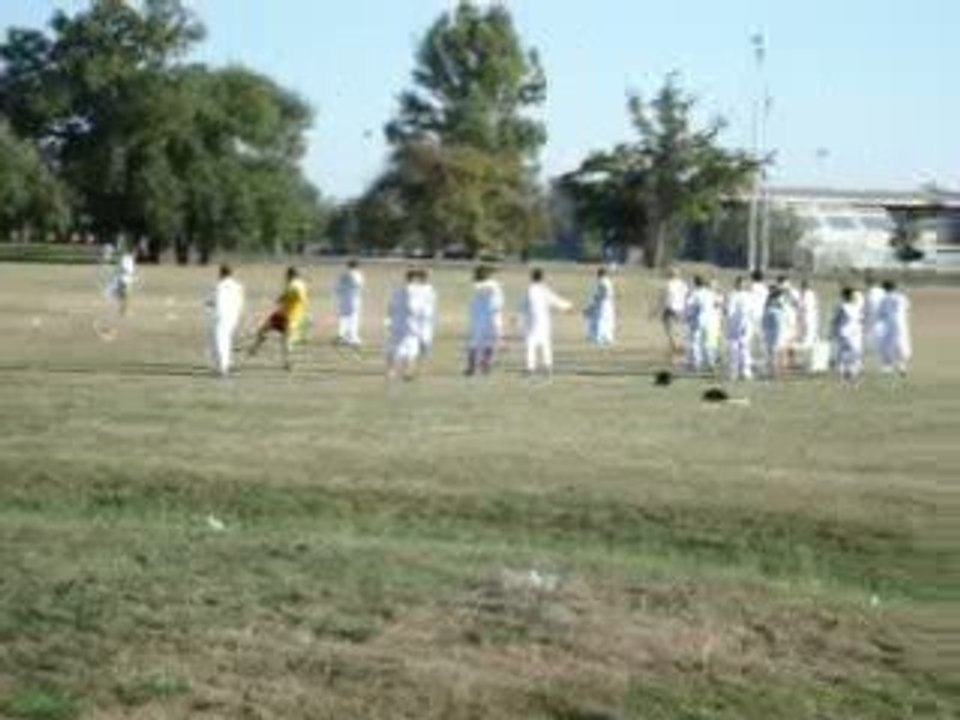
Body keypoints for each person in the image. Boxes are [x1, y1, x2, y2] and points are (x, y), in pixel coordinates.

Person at [248, 267, 309, 371]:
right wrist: (282, 299)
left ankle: (287, 362)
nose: (285, 278)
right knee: (273, 334)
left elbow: (298, 297)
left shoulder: (295, 285)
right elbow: (294, 297)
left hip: (289, 316)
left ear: (290, 275)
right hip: (283, 314)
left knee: (281, 338)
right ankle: (256, 348)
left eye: (286, 275)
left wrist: (282, 299)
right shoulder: (298, 284)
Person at [520, 268, 573, 376]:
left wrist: (518, 317)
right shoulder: (544, 290)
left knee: (531, 344)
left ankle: (531, 368)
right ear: (542, 277)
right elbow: (555, 300)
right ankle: (548, 367)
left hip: (532, 321)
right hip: (544, 321)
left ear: (531, 277)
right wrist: (568, 307)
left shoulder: (530, 290)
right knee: (545, 344)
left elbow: (523, 306)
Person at [386, 269, 432, 381]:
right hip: (410, 324)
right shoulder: (416, 292)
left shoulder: (397, 291)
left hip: (397, 323)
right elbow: (417, 309)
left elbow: (390, 307)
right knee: (411, 349)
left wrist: (390, 320)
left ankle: (390, 371)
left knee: (394, 347)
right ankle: (407, 372)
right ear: (415, 279)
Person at [465, 266, 505, 376]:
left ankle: (485, 366)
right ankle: (472, 367)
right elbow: (478, 287)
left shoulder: (491, 284)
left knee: (490, 343)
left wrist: (481, 279)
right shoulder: (482, 287)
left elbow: (482, 286)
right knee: (475, 343)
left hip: (492, 318)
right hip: (482, 320)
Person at [206, 265, 245, 377]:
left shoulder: (219, 285)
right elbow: (240, 303)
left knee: (220, 342)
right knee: (227, 341)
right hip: (233, 317)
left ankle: (222, 369)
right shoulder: (238, 286)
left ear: (221, 273)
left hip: (220, 317)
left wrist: (208, 304)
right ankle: (227, 364)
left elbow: (213, 301)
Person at [877, 280, 912, 376]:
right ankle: (902, 367)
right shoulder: (902, 297)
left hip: (889, 325)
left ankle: (887, 368)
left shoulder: (884, 299)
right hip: (901, 324)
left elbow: (880, 314)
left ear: (885, 289)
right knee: (901, 344)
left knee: (887, 345)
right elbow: (907, 308)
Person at [684, 275, 719, 373]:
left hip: (699, 320)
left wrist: (688, 317)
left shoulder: (695, 293)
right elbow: (717, 304)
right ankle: (711, 363)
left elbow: (690, 307)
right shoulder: (710, 293)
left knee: (696, 342)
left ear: (695, 283)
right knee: (708, 343)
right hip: (710, 320)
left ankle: (697, 364)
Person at [832, 287, 865, 382]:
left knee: (851, 352)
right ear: (846, 296)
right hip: (844, 333)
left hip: (854, 332)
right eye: (851, 295)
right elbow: (835, 320)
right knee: (851, 351)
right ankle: (847, 373)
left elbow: (860, 318)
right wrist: (833, 332)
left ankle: (847, 372)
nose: (853, 297)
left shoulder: (856, 306)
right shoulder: (841, 306)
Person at [725, 277, 755, 381]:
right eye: (740, 284)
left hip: (745, 323)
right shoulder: (733, 295)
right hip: (734, 324)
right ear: (736, 284)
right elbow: (730, 311)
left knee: (745, 347)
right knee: (734, 348)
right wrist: (731, 322)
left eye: (743, 284)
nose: (742, 285)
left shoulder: (748, 295)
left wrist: (748, 322)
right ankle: (734, 372)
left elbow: (751, 311)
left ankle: (746, 371)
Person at [334, 260, 365, 347]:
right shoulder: (357, 275)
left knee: (343, 318)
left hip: (343, 299)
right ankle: (352, 338)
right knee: (353, 318)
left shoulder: (343, 275)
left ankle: (342, 336)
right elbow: (359, 286)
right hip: (353, 299)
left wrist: (340, 295)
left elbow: (337, 288)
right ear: (357, 266)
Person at [762, 286, 790, 379]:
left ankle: (776, 371)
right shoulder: (774, 306)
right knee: (776, 352)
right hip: (776, 330)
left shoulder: (772, 305)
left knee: (774, 352)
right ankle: (776, 371)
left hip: (775, 330)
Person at [660, 268, 688, 359]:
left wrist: (663, 306)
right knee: (680, 327)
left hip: (671, 307)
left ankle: (674, 345)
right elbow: (686, 295)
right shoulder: (684, 284)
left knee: (667, 325)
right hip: (681, 307)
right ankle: (681, 344)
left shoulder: (669, 284)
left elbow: (667, 296)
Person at [584, 267, 616, 346]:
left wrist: (591, 305)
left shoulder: (602, 281)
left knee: (602, 320)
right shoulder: (604, 281)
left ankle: (604, 338)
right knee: (602, 320)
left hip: (604, 303)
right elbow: (604, 293)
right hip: (604, 303)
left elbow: (603, 293)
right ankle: (601, 338)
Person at [797, 279, 822, 371]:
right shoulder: (811, 294)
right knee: (812, 338)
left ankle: (810, 363)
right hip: (812, 319)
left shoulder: (804, 295)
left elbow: (802, 307)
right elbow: (816, 307)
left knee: (807, 340)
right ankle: (813, 362)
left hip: (807, 319)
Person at [109, 248, 137, 317]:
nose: (135, 255)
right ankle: (124, 311)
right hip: (125, 280)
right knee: (125, 296)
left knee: (125, 296)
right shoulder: (126, 259)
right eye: (134, 253)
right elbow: (124, 268)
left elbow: (129, 269)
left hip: (126, 279)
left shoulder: (129, 259)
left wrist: (133, 276)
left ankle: (122, 310)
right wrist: (131, 274)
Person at [864, 275, 887, 357]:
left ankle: (875, 348)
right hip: (878, 315)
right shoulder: (879, 291)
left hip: (875, 315)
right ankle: (876, 348)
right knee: (875, 332)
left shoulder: (871, 293)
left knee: (872, 332)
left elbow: (867, 306)